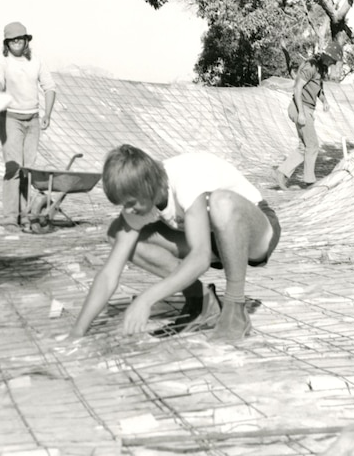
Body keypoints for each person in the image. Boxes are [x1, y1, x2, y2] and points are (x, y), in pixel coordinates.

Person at [68, 145, 281, 342]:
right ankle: (202, 302)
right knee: (118, 233)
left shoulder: (186, 179)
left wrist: (146, 299)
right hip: (214, 239)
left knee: (221, 202)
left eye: (131, 203)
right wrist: (77, 332)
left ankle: (235, 311)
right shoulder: (144, 197)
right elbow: (108, 274)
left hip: (255, 234)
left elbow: (201, 257)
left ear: (147, 185)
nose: (129, 210)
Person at [0, 22, 57, 233]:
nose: (17, 42)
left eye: (21, 38)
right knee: (13, 168)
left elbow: (49, 87)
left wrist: (47, 114)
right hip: (11, 118)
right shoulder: (1, 61)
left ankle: (25, 216)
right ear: (6, 43)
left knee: (27, 169)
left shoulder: (36, 61)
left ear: (27, 40)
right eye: (12, 40)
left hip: (33, 120)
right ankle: (10, 218)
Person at [274, 41, 341, 190]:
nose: (332, 63)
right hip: (299, 107)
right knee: (313, 145)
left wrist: (324, 101)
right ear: (327, 54)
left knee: (304, 147)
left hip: (306, 108)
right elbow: (297, 88)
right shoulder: (310, 65)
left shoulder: (321, 68)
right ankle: (310, 182)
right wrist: (302, 113)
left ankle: (281, 173)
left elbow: (318, 90)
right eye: (332, 60)